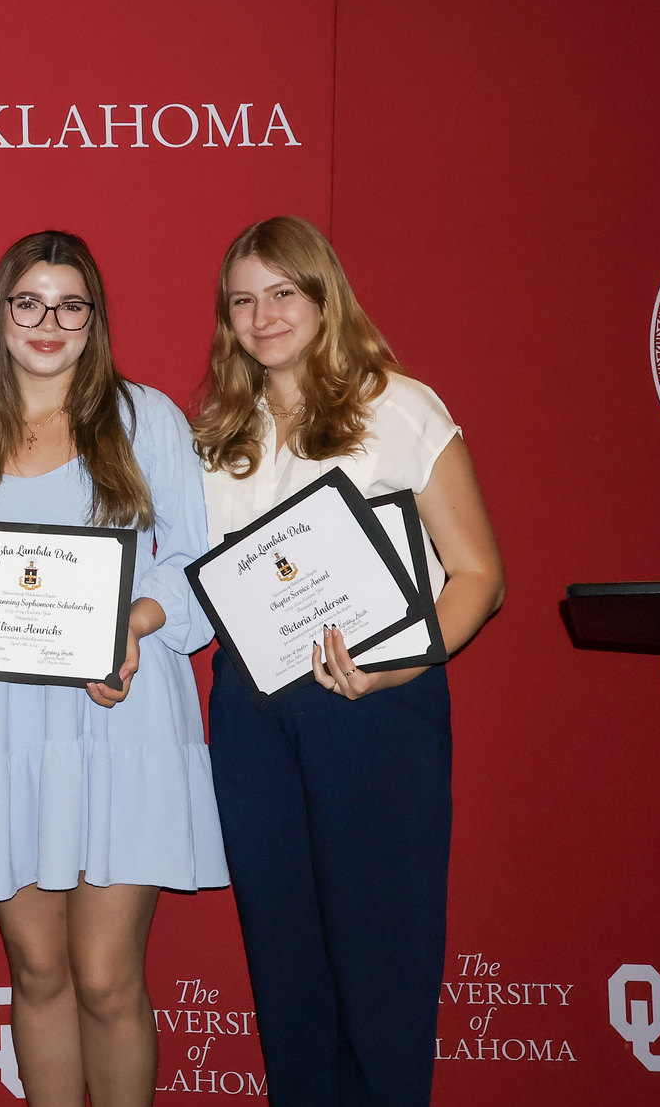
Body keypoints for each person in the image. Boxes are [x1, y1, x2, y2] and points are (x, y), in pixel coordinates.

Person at [192, 216, 504, 1107]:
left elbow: (480, 573)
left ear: (325, 295)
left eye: (283, 292)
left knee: (382, 958)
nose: (263, 315)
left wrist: (401, 666)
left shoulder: (398, 405)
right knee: (286, 962)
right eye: (243, 300)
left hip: (378, 708)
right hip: (253, 717)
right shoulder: (214, 433)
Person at [0, 230, 224, 1107]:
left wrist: (134, 619)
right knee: (39, 968)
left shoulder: (144, 417)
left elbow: (195, 562)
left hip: (117, 715)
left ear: (93, 319)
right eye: (29, 302)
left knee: (103, 975)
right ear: (1, 314)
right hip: (3, 719)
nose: (48, 322)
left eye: (69, 304)